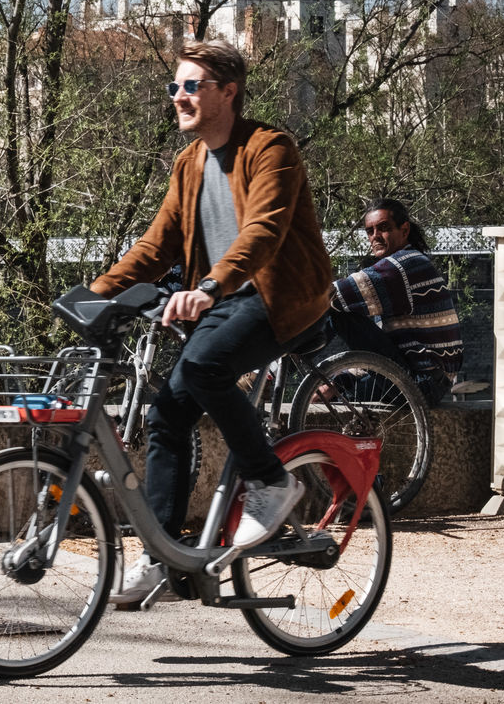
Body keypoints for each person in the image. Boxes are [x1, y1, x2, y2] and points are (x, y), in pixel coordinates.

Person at [89, 39, 334, 602]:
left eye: (191, 85)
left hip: (279, 298)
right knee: (167, 414)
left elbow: (263, 232)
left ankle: (271, 481)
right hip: (223, 300)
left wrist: (207, 287)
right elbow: (158, 245)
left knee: (203, 367)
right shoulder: (190, 162)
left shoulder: (270, 148)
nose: (179, 96)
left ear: (228, 91)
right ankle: (162, 555)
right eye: (174, 86)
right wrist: (96, 295)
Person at [329, 198, 463, 405]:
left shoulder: (405, 265)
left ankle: (280, 364)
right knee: (338, 397)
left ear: (404, 230)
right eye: (370, 231)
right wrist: (336, 383)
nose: (375, 236)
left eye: (383, 228)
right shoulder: (400, 269)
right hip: (420, 381)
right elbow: (379, 349)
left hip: (422, 384)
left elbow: (335, 294)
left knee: (333, 306)